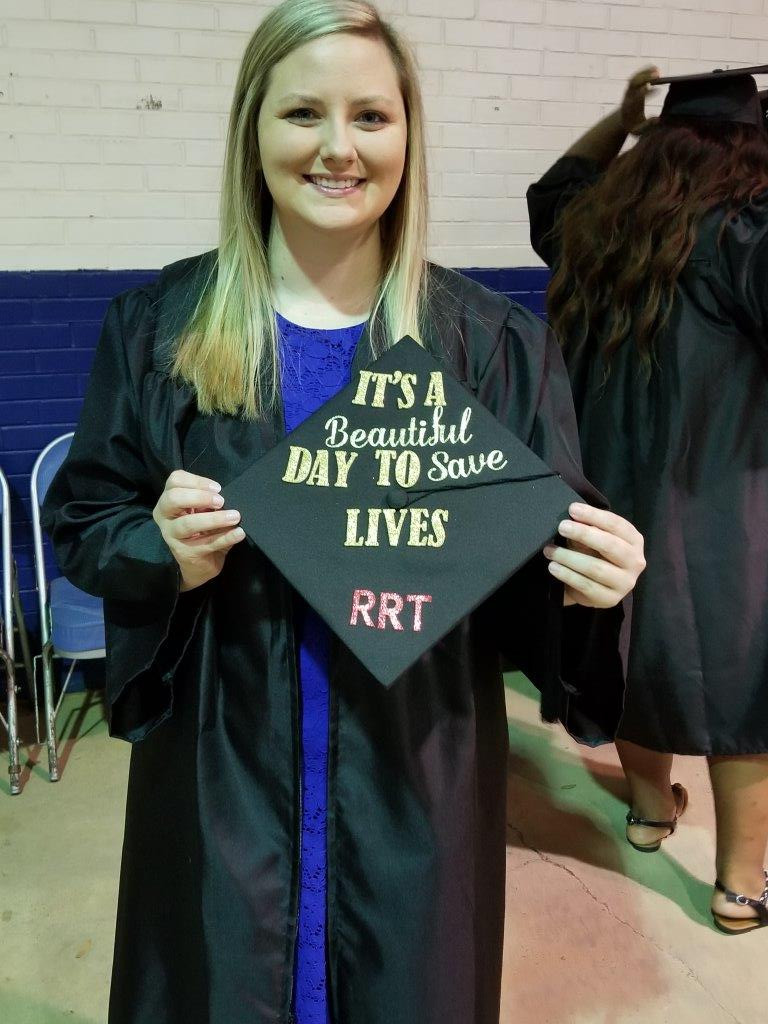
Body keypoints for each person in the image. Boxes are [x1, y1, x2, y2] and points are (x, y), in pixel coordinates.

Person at [43, 3, 645, 1022]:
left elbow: (535, 577)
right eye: (302, 114)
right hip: (222, 776)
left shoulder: (493, 348)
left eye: (371, 115)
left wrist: (594, 581)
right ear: (253, 130)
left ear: (407, 134)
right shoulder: (161, 330)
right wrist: (159, 550)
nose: (338, 147)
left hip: (418, 774)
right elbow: (86, 518)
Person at [527, 65, 768, 935]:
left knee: (626, 661)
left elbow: (554, 184)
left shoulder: (593, 229)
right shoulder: (744, 234)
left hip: (600, 502)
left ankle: (649, 811)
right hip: (723, 511)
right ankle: (742, 886)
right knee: (746, 692)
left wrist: (618, 117)